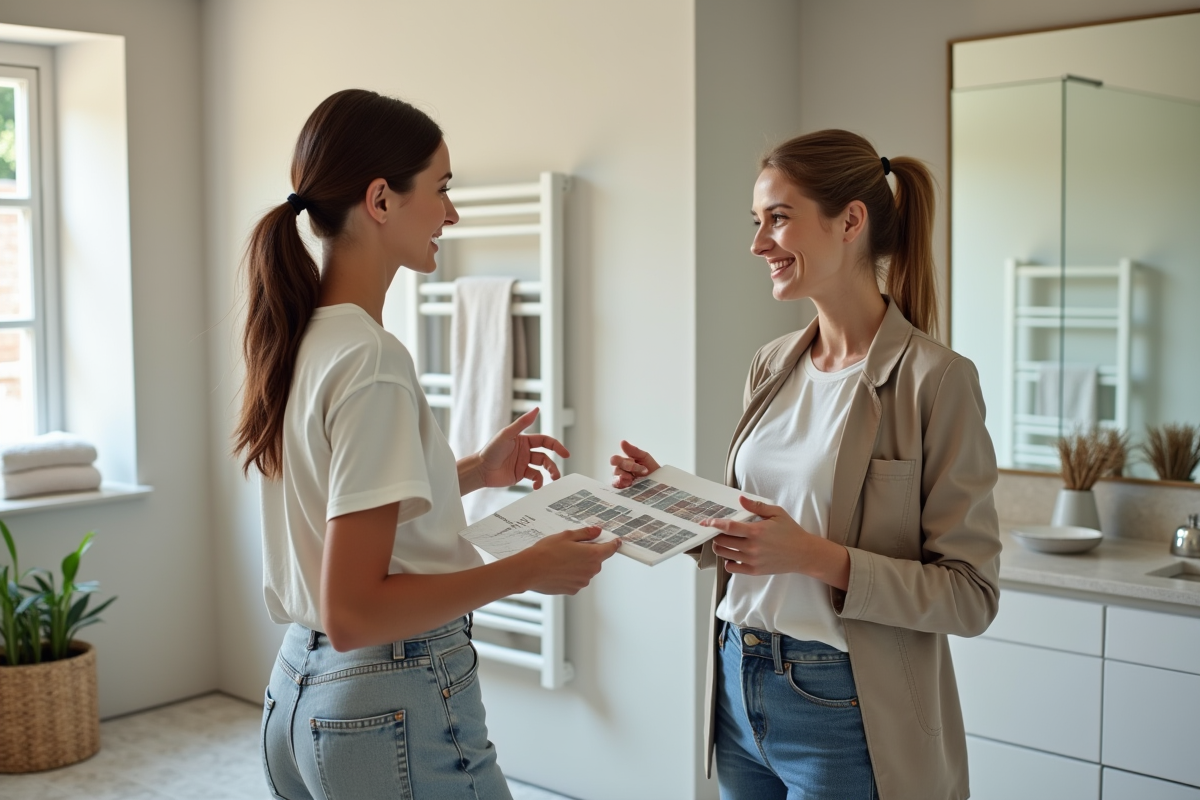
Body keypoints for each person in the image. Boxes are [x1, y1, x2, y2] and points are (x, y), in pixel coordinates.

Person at [234, 89, 620, 800]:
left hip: (295, 693)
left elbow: (335, 503)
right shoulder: (371, 358)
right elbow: (354, 611)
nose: (452, 212)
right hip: (387, 699)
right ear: (380, 200)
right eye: (441, 189)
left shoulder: (304, 340)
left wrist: (470, 472)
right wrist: (527, 569)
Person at [611, 130, 1001, 800]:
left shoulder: (935, 381)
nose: (758, 243)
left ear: (851, 221)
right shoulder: (771, 364)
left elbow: (969, 596)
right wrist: (670, 502)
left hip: (845, 711)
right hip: (737, 684)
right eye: (757, 222)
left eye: (779, 219)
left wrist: (815, 555)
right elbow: (753, 545)